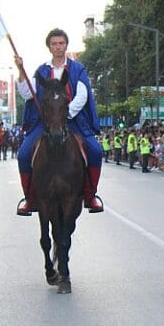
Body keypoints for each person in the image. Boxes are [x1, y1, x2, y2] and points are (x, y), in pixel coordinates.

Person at [14, 28, 104, 215]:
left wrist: (64, 113)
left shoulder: (77, 69)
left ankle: (90, 195)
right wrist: (20, 70)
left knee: (95, 150)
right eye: (54, 44)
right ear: (49, 47)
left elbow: (82, 94)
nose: (58, 47)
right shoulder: (42, 70)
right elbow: (26, 93)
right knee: (23, 154)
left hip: (71, 120)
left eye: (61, 43)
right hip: (44, 122)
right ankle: (29, 199)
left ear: (66, 45)